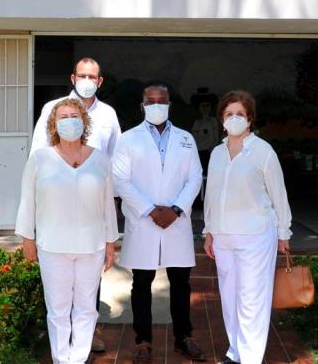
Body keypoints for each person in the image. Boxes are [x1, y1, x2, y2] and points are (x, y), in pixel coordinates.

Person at [16, 98, 119, 364]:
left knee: (86, 309)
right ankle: (62, 359)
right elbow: (27, 202)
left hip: (92, 246)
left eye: (75, 115)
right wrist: (28, 238)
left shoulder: (101, 159)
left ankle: (78, 358)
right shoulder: (40, 159)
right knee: (58, 311)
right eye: (63, 117)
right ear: (54, 124)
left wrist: (111, 243)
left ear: (84, 122)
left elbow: (108, 204)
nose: (69, 120)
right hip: (52, 246)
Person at [112, 83, 207, 363]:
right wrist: (151, 211)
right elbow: (121, 180)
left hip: (176, 221)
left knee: (181, 282)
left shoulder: (185, 139)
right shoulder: (128, 139)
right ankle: (143, 342)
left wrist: (175, 209)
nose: (156, 105)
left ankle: (183, 337)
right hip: (144, 222)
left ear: (169, 104)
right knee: (141, 283)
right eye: (150, 101)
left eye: (161, 100)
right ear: (142, 105)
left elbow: (195, 177)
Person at [203, 90, 293, 364]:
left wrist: (284, 232)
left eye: (239, 114)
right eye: (229, 114)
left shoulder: (263, 151)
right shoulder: (218, 152)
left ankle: (251, 358)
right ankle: (236, 353)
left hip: (256, 235)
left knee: (252, 299)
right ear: (221, 119)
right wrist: (208, 231)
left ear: (250, 119)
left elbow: (278, 193)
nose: (234, 118)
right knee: (229, 298)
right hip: (223, 236)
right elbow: (211, 194)